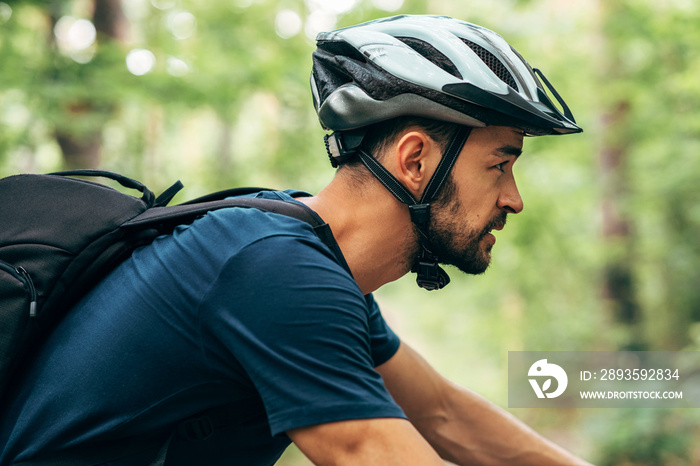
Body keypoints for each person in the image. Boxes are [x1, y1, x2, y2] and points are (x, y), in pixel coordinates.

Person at [0, 14, 592, 466]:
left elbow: (443, 412)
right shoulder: (273, 268)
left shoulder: (299, 252)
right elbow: (370, 450)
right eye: (500, 165)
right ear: (415, 158)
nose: (513, 197)